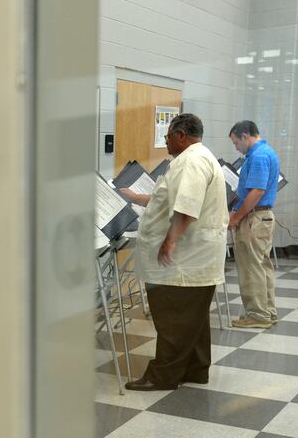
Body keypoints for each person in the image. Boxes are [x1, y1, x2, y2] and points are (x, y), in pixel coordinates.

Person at [119, 113, 228, 391]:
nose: (166, 142)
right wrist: (135, 198)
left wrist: (169, 241)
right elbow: (168, 198)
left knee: (173, 320)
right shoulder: (198, 157)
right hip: (196, 260)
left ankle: (162, 376)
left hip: (183, 261)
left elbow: (186, 207)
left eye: (167, 136)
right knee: (193, 320)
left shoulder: (191, 162)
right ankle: (195, 369)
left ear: (181, 135)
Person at [228, 121, 281, 328]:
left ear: (245, 136)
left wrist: (236, 217)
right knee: (262, 266)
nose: (236, 147)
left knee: (251, 267)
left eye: (235, 143)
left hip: (254, 219)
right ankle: (268, 312)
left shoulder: (258, 156)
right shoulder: (266, 152)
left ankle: (258, 315)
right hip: (262, 218)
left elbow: (256, 192)